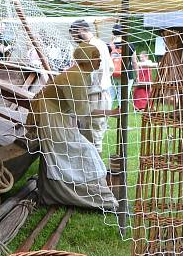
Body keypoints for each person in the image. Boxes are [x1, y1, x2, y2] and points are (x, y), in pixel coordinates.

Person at [26, 43, 118, 211]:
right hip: (50, 114)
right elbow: (82, 111)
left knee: (64, 150)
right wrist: (110, 112)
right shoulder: (76, 75)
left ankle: (53, 192)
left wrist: (110, 112)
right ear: (85, 59)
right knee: (72, 149)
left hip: (58, 114)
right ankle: (79, 194)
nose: (99, 60)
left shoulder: (83, 74)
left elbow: (81, 109)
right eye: (95, 56)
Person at [69, 19, 112, 153]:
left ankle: (95, 171)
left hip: (94, 97)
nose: (74, 39)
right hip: (104, 95)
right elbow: (110, 67)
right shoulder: (101, 44)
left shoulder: (89, 47)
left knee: (92, 137)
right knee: (96, 133)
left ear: (81, 30)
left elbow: (91, 74)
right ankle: (94, 169)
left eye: (74, 35)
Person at [108, 24, 139, 106]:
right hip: (127, 75)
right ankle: (122, 117)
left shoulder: (108, 45)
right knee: (123, 98)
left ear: (112, 33)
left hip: (112, 75)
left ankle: (105, 117)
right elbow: (134, 62)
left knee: (109, 97)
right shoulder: (130, 45)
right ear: (124, 33)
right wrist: (137, 75)